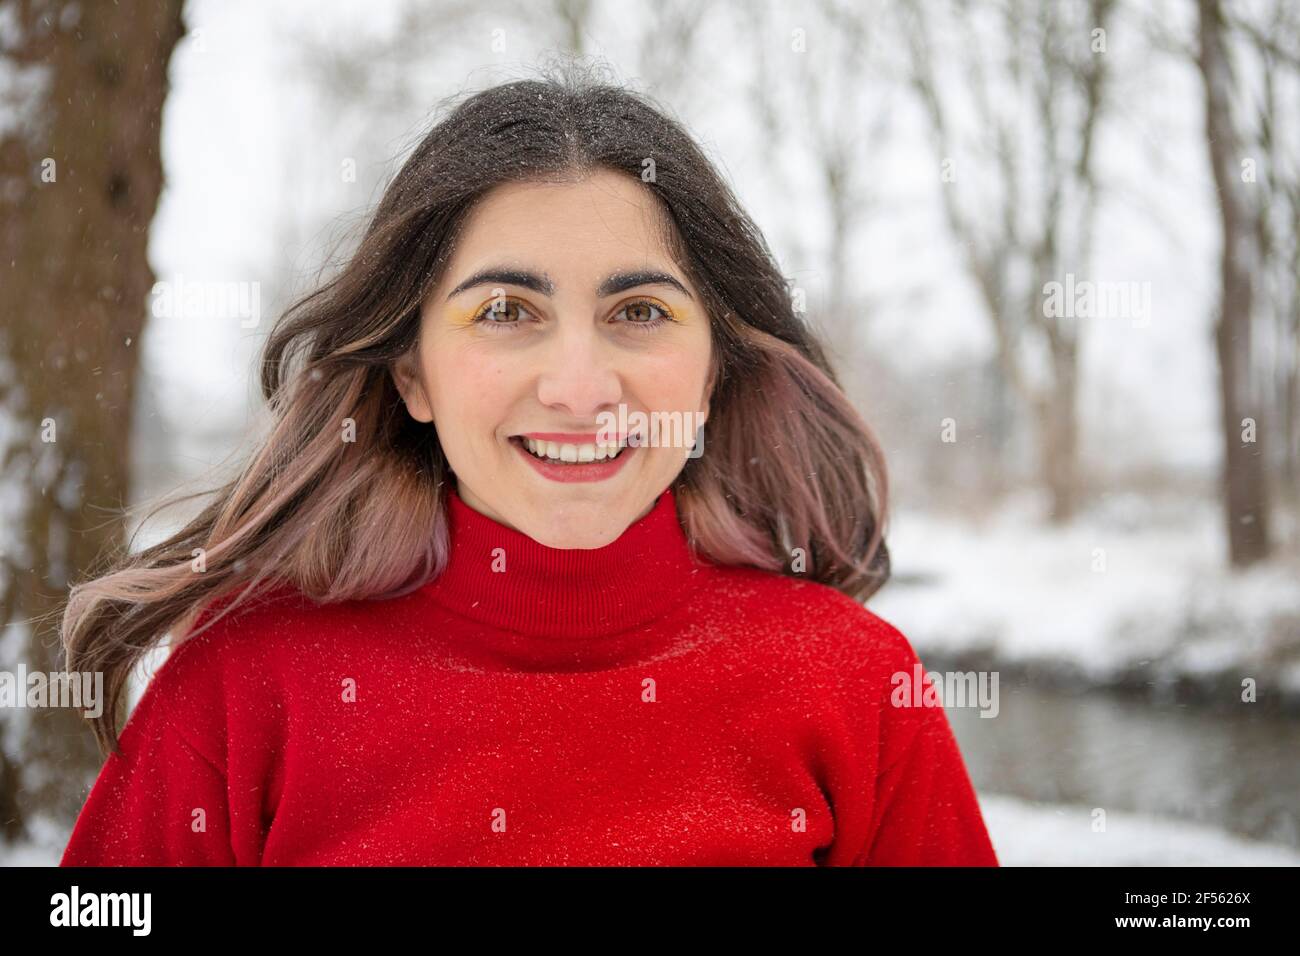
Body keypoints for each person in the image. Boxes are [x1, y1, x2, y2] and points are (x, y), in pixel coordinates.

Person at [59, 68, 998, 866]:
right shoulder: (240, 686)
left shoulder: (859, 684)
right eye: (506, 311)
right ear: (412, 372)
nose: (580, 389)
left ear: (713, 368)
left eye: (639, 311)